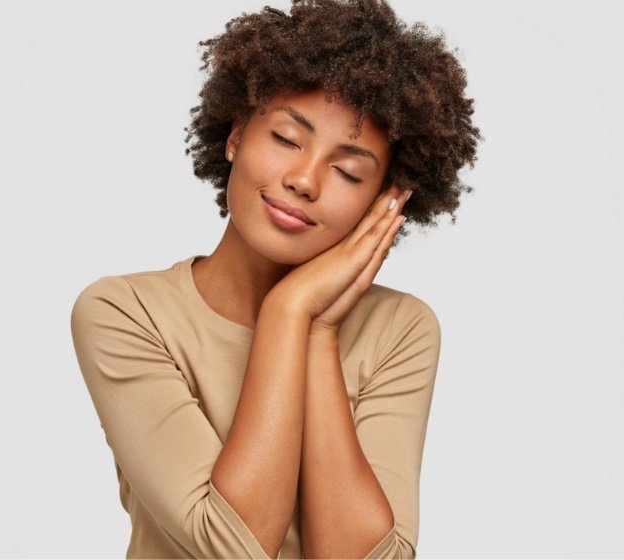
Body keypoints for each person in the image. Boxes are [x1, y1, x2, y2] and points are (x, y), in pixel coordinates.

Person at [70, 1, 481, 558]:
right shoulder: (126, 312)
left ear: (384, 199)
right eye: (287, 139)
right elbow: (230, 547)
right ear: (236, 135)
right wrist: (291, 311)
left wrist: (312, 327)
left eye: (348, 171)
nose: (304, 179)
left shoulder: (400, 330)